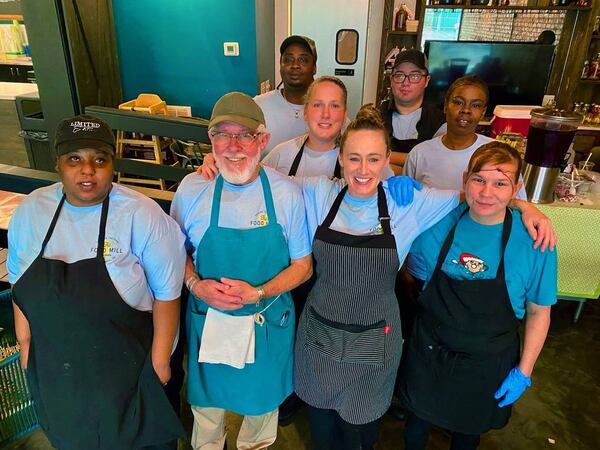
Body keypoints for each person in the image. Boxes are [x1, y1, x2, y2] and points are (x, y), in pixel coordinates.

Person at [8, 115, 186, 450]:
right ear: (58, 163)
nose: (87, 170)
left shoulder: (142, 215)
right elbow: (19, 283)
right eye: (75, 159)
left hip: (128, 377)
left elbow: (167, 294)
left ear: (112, 165)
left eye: (99, 160)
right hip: (59, 379)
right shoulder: (31, 211)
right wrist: (25, 342)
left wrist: (160, 364)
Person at [170, 92, 313, 450]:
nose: (233, 146)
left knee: (261, 418)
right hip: (210, 323)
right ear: (210, 140)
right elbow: (173, 255)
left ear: (262, 140)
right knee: (206, 418)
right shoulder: (192, 190)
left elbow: (303, 266)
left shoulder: (286, 194)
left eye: (244, 135)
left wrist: (259, 292)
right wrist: (195, 284)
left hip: (266, 326)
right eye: (222, 135)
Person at [399, 141, 556, 450]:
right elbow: (406, 272)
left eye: (500, 183)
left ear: (516, 188)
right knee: (415, 428)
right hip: (428, 353)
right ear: (465, 180)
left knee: (467, 436)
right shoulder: (436, 223)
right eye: (479, 180)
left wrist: (524, 370)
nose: (487, 192)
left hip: (487, 364)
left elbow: (540, 312)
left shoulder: (535, 241)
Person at [403, 75, 527, 198]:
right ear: (446, 106)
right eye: (458, 102)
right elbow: (405, 202)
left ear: (483, 112)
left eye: (476, 105)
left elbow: (517, 205)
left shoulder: (501, 154)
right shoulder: (419, 153)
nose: (466, 110)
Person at [380, 49, 446, 171]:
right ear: (391, 80)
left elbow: (435, 162)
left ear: (427, 81)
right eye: (399, 75)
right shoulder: (376, 116)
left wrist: (384, 157)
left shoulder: (439, 122)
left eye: (414, 76)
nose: (405, 83)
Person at [255, 35, 317, 156]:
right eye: (288, 60)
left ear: (314, 67)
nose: (295, 65)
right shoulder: (258, 106)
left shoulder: (328, 110)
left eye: (303, 60)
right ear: (280, 66)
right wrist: (212, 158)